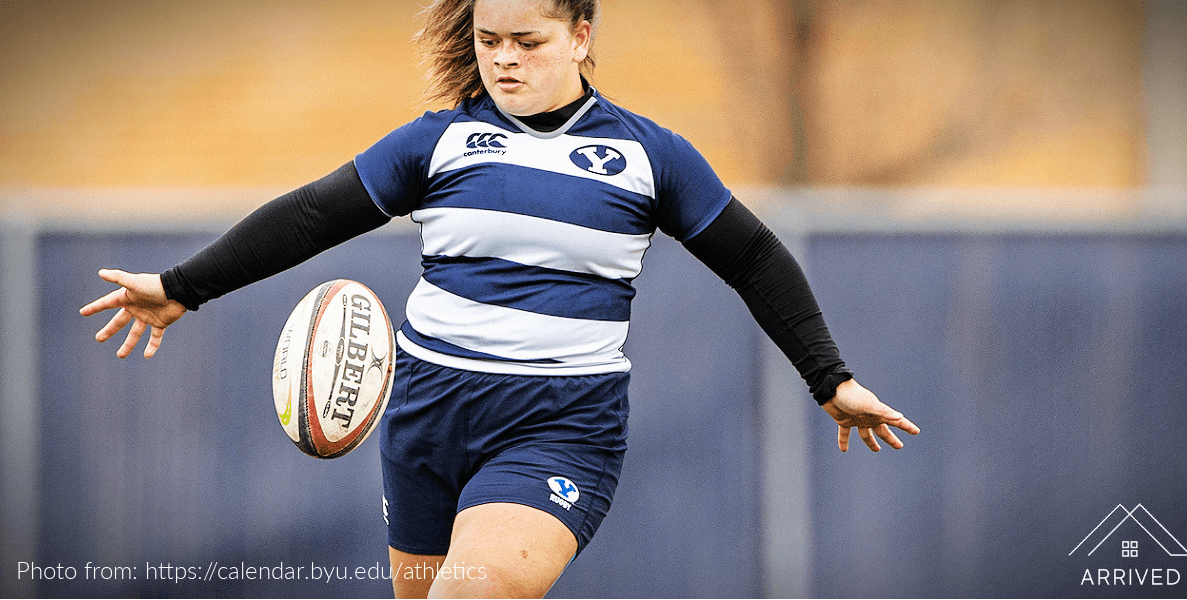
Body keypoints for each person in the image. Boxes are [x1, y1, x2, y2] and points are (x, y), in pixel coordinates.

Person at [80, 0, 921, 597]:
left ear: (582, 35)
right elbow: (309, 215)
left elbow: (754, 257)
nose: (505, 57)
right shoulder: (437, 143)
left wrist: (830, 378)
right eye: (489, 40)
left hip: (558, 425)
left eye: (528, 38)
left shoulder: (648, 157)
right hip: (426, 415)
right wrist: (182, 289)